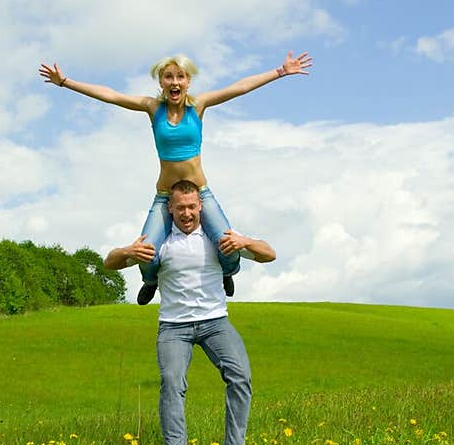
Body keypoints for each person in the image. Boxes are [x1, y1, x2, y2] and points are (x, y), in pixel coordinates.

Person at [40, 48, 310, 304]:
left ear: (188, 82)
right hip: (165, 196)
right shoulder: (152, 108)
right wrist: (65, 81)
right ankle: (150, 280)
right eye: (168, 76)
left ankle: (228, 273)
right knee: (146, 251)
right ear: (161, 82)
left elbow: (239, 88)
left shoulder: (199, 106)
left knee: (227, 244)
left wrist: (280, 71)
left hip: (199, 193)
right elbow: (111, 95)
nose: (174, 81)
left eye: (180, 76)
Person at [103, 178, 276, 445]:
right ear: (170, 208)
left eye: (192, 207)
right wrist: (127, 251)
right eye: (180, 208)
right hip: (174, 327)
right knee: (172, 383)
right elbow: (108, 262)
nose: (186, 213)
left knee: (240, 376)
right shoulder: (162, 243)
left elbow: (270, 254)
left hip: (215, 322)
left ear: (201, 207)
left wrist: (245, 241)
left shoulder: (215, 239)